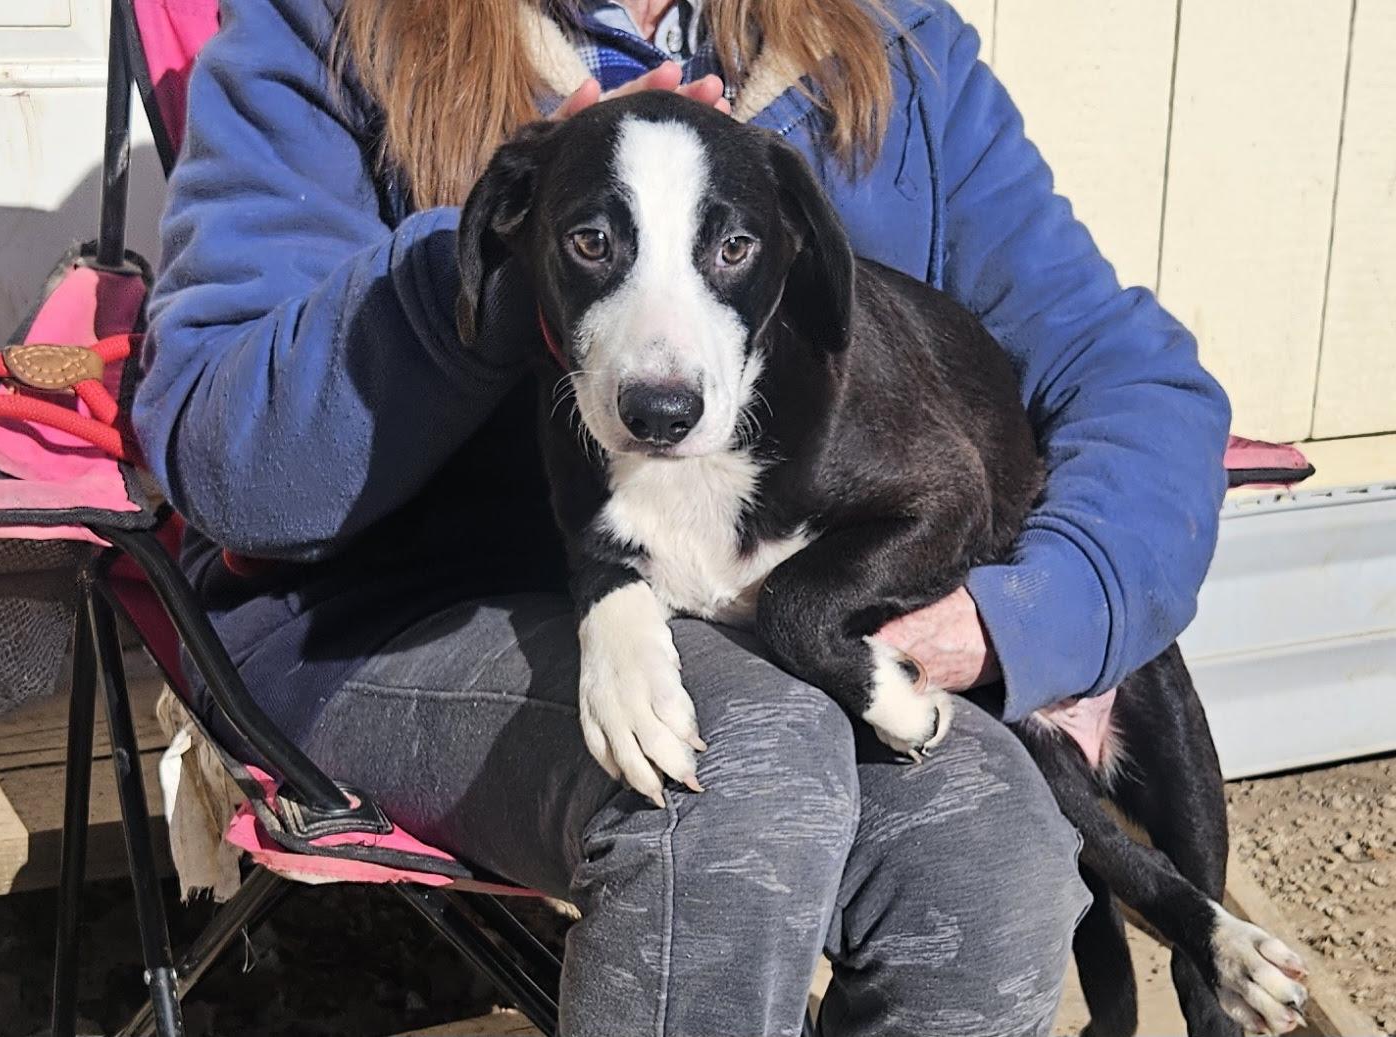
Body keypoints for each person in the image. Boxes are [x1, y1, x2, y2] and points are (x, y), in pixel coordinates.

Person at [132, 1, 1230, 1034]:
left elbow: (1124, 374)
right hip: (388, 616)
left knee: (992, 832)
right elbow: (225, 465)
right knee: (739, 767)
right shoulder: (333, 30)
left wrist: (1046, 609)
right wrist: (488, 256)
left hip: (761, 604)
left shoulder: (887, 40)